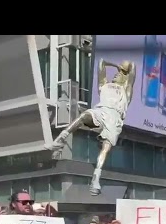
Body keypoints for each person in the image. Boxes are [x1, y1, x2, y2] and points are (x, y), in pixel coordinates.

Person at [45, 59, 137, 195]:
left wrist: (125, 68)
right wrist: (115, 65)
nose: (116, 74)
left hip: (114, 118)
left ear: (124, 77)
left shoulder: (126, 90)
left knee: (106, 147)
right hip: (101, 112)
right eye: (115, 73)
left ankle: (96, 178)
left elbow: (133, 69)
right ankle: (60, 140)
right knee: (85, 115)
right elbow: (101, 63)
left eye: (119, 74)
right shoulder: (104, 85)